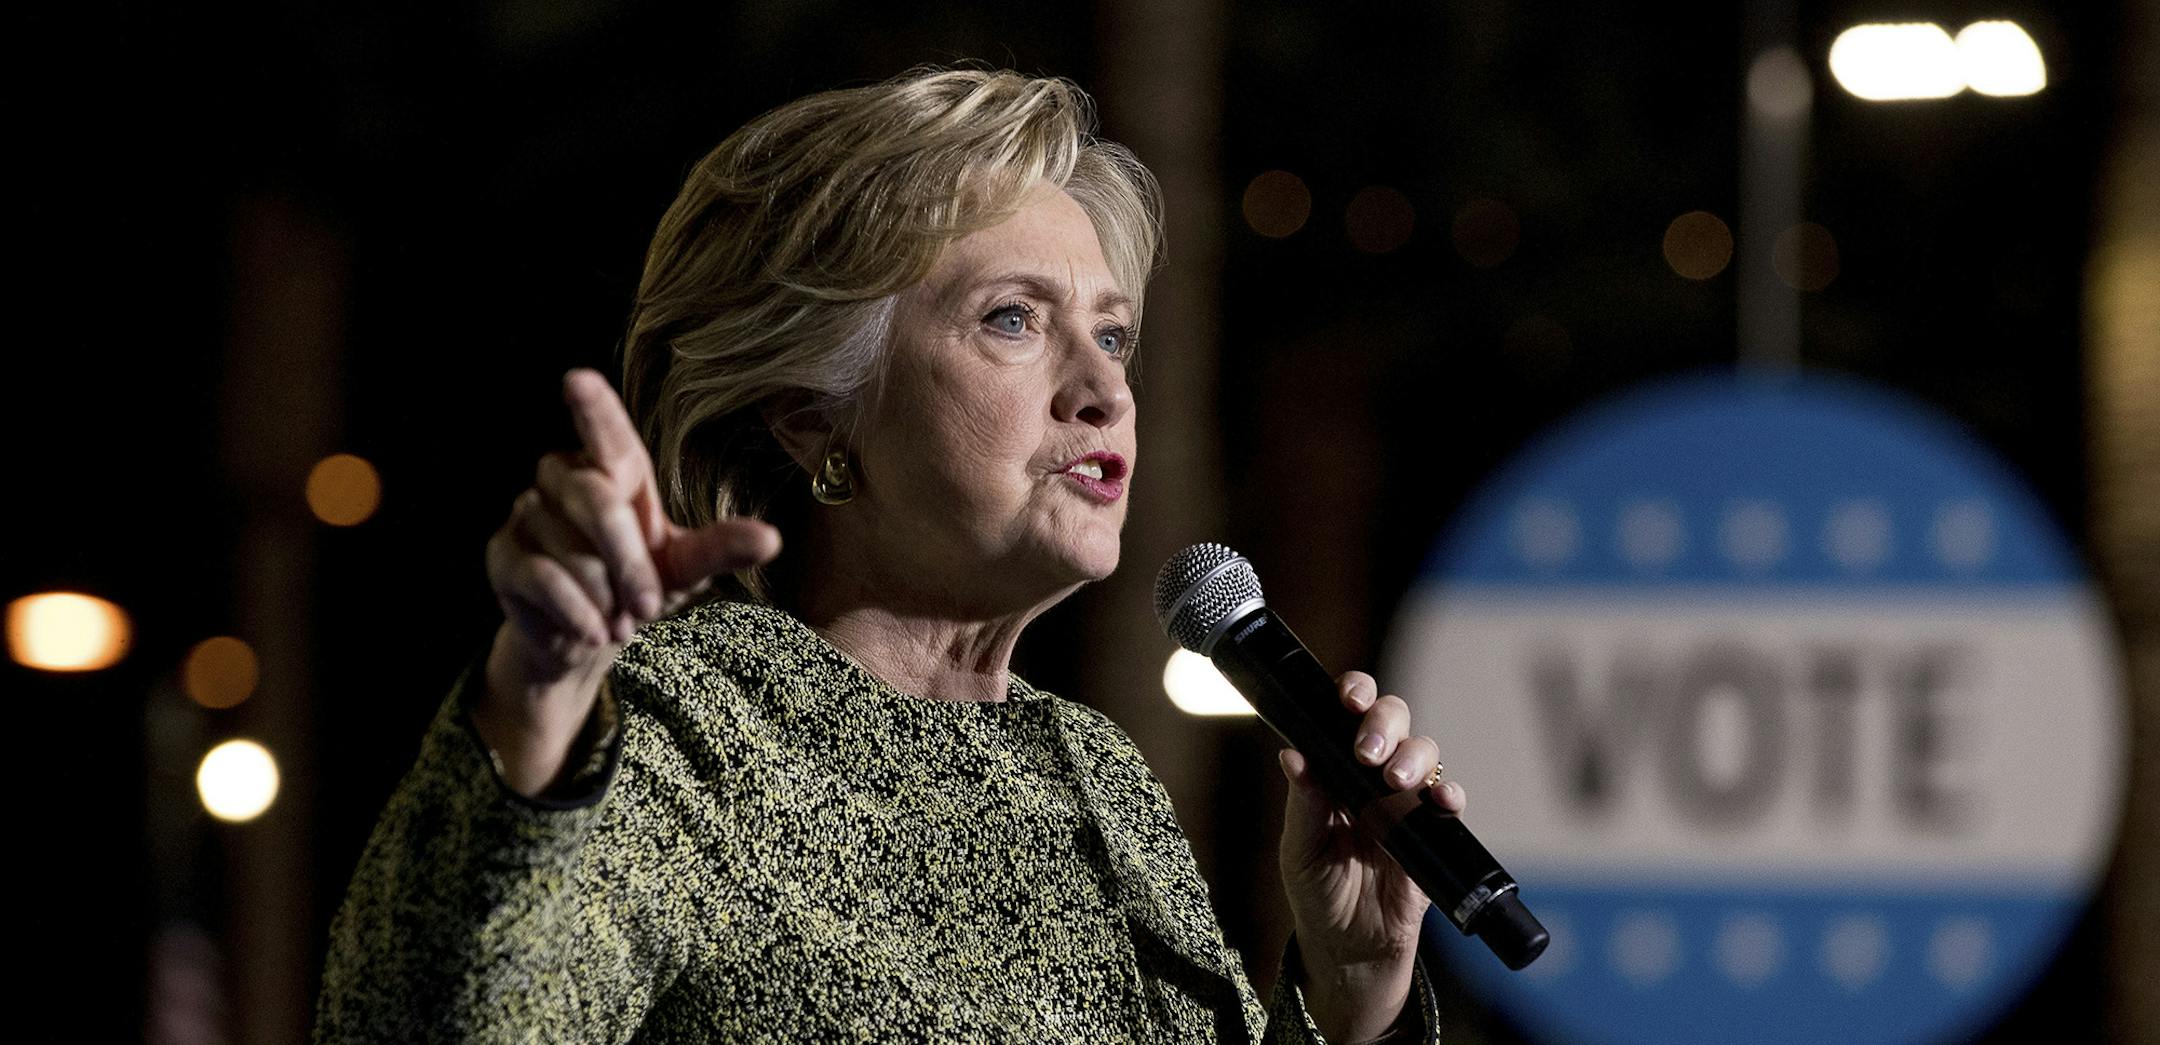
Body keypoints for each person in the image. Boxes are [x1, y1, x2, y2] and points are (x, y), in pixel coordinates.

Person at [313, 67, 1464, 1044]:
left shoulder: (1098, 779)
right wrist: (534, 702)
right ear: (815, 413)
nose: (1106, 387)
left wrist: (1350, 990)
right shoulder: (686, 739)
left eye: (1113, 333)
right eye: (1015, 318)